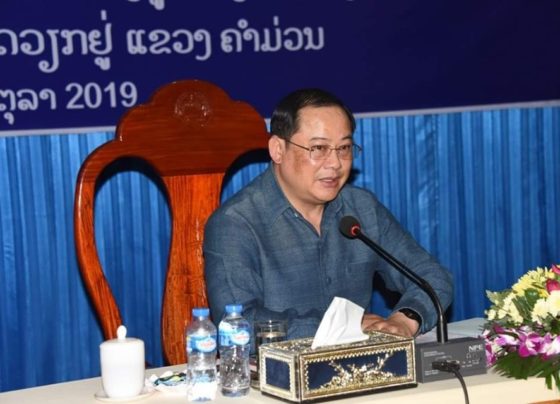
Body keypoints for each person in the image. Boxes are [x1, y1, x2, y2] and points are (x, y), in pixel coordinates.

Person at [203, 88, 453, 344]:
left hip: (364, 362)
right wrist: (340, 326)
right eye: (319, 148)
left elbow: (433, 277)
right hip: (278, 367)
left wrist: (405, 320)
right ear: (278, 149)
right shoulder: (235, 223)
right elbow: (238, 325)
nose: (335, 163)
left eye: (344, 148)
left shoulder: (362, 208)